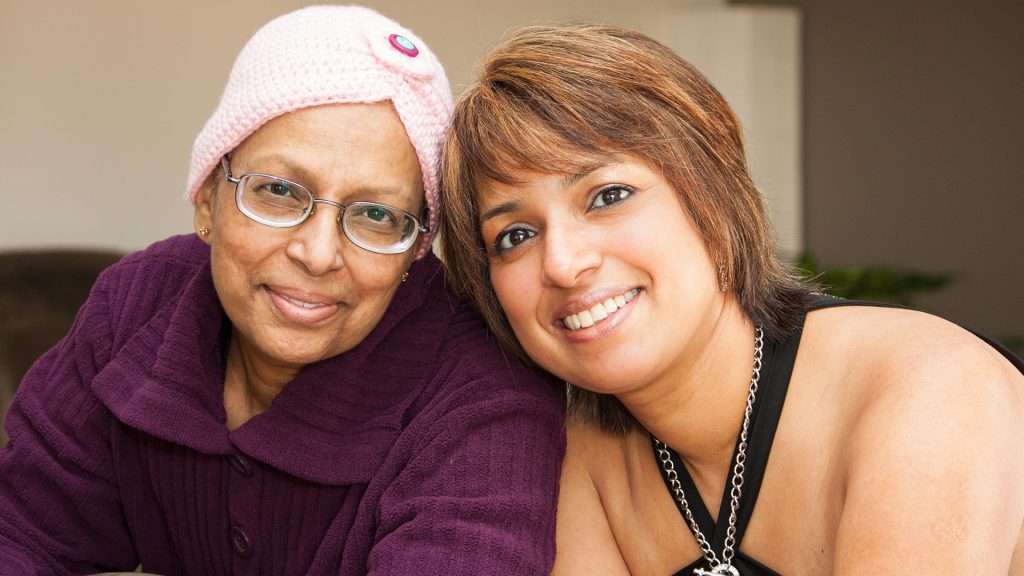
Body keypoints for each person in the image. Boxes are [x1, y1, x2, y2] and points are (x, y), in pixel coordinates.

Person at [439, 23, 1024, 575]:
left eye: (608, 195)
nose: (564, 264)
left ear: (714, 196)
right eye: (514, 236)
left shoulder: (922, 386)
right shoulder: (580, 462)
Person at [0, 7, 565, 575]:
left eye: (375, 214)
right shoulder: (136, 306)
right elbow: (21, 531)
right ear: (206, 200)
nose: (318, 254)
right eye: (278, 190)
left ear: (414, 251)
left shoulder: (486, 391)